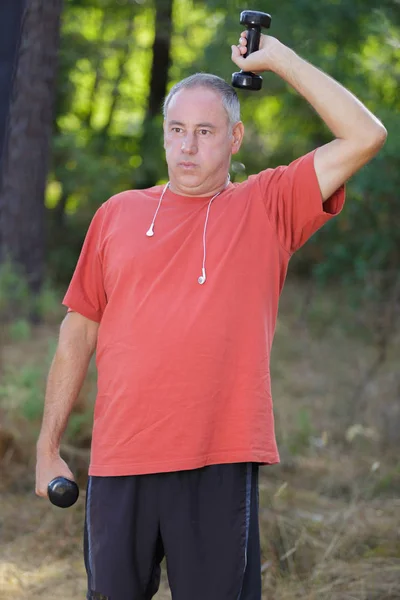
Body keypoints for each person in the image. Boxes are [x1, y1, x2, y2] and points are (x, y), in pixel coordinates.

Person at [35, 29, 386, 600]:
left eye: (205, 132)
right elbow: (79, 330)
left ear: (235, 137)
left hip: (217, 459)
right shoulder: (118, 214)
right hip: (120, 459)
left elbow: (366, 134)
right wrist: (48, 446)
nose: (188, 148)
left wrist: (281, 60)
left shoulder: (268, 205)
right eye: (177, 130)